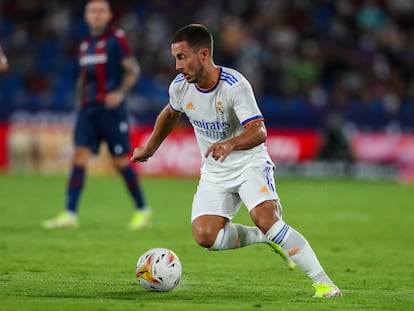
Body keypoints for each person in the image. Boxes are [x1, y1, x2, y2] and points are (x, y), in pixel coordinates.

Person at [131, 24, 342, 298]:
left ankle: (325, 284)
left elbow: (259, 131)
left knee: (267, 219)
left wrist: (230, 143)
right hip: (215, 172)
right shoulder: (180, 87)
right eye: (175, 58)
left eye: (182, 57)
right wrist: (150, 147)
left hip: (249, 164)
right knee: (206, 237)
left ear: (203, 54)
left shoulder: (235, 86)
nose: (177, 66)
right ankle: (265, 237)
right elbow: (171, 114)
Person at [44, 0, 150, 230]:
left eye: (101, 10)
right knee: (79, 156)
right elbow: (84, 78)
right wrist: (79, 102)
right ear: (86, 16)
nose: (97, 14)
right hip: (87, 109)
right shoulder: (86, 44)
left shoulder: (117, 39)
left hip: (111, 110)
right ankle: (70, 214)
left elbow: (133, 69)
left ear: (109, 14)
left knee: (120, 161)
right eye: (92, 10)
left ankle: (142, 210)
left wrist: (120, 93)